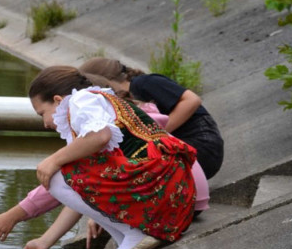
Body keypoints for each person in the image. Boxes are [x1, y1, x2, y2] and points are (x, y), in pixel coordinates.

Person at [0, 66, 197, 249]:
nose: (45, 124)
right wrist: (44, 242)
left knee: (58, 173)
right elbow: (78, 193)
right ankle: (127, 239)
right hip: (170, 194)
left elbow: (101, 136)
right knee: (68, 175)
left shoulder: (81, 101)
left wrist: (53, 160)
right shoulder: (97, 104)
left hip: (161, 186)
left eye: (42, 113)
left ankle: (135, 235)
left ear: (57, 100)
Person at [79, 57, 224, 180]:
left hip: (203, 146)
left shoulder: (143, 83)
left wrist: (157, 134)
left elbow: (192, 100)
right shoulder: (123, 102)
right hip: (188, 153)